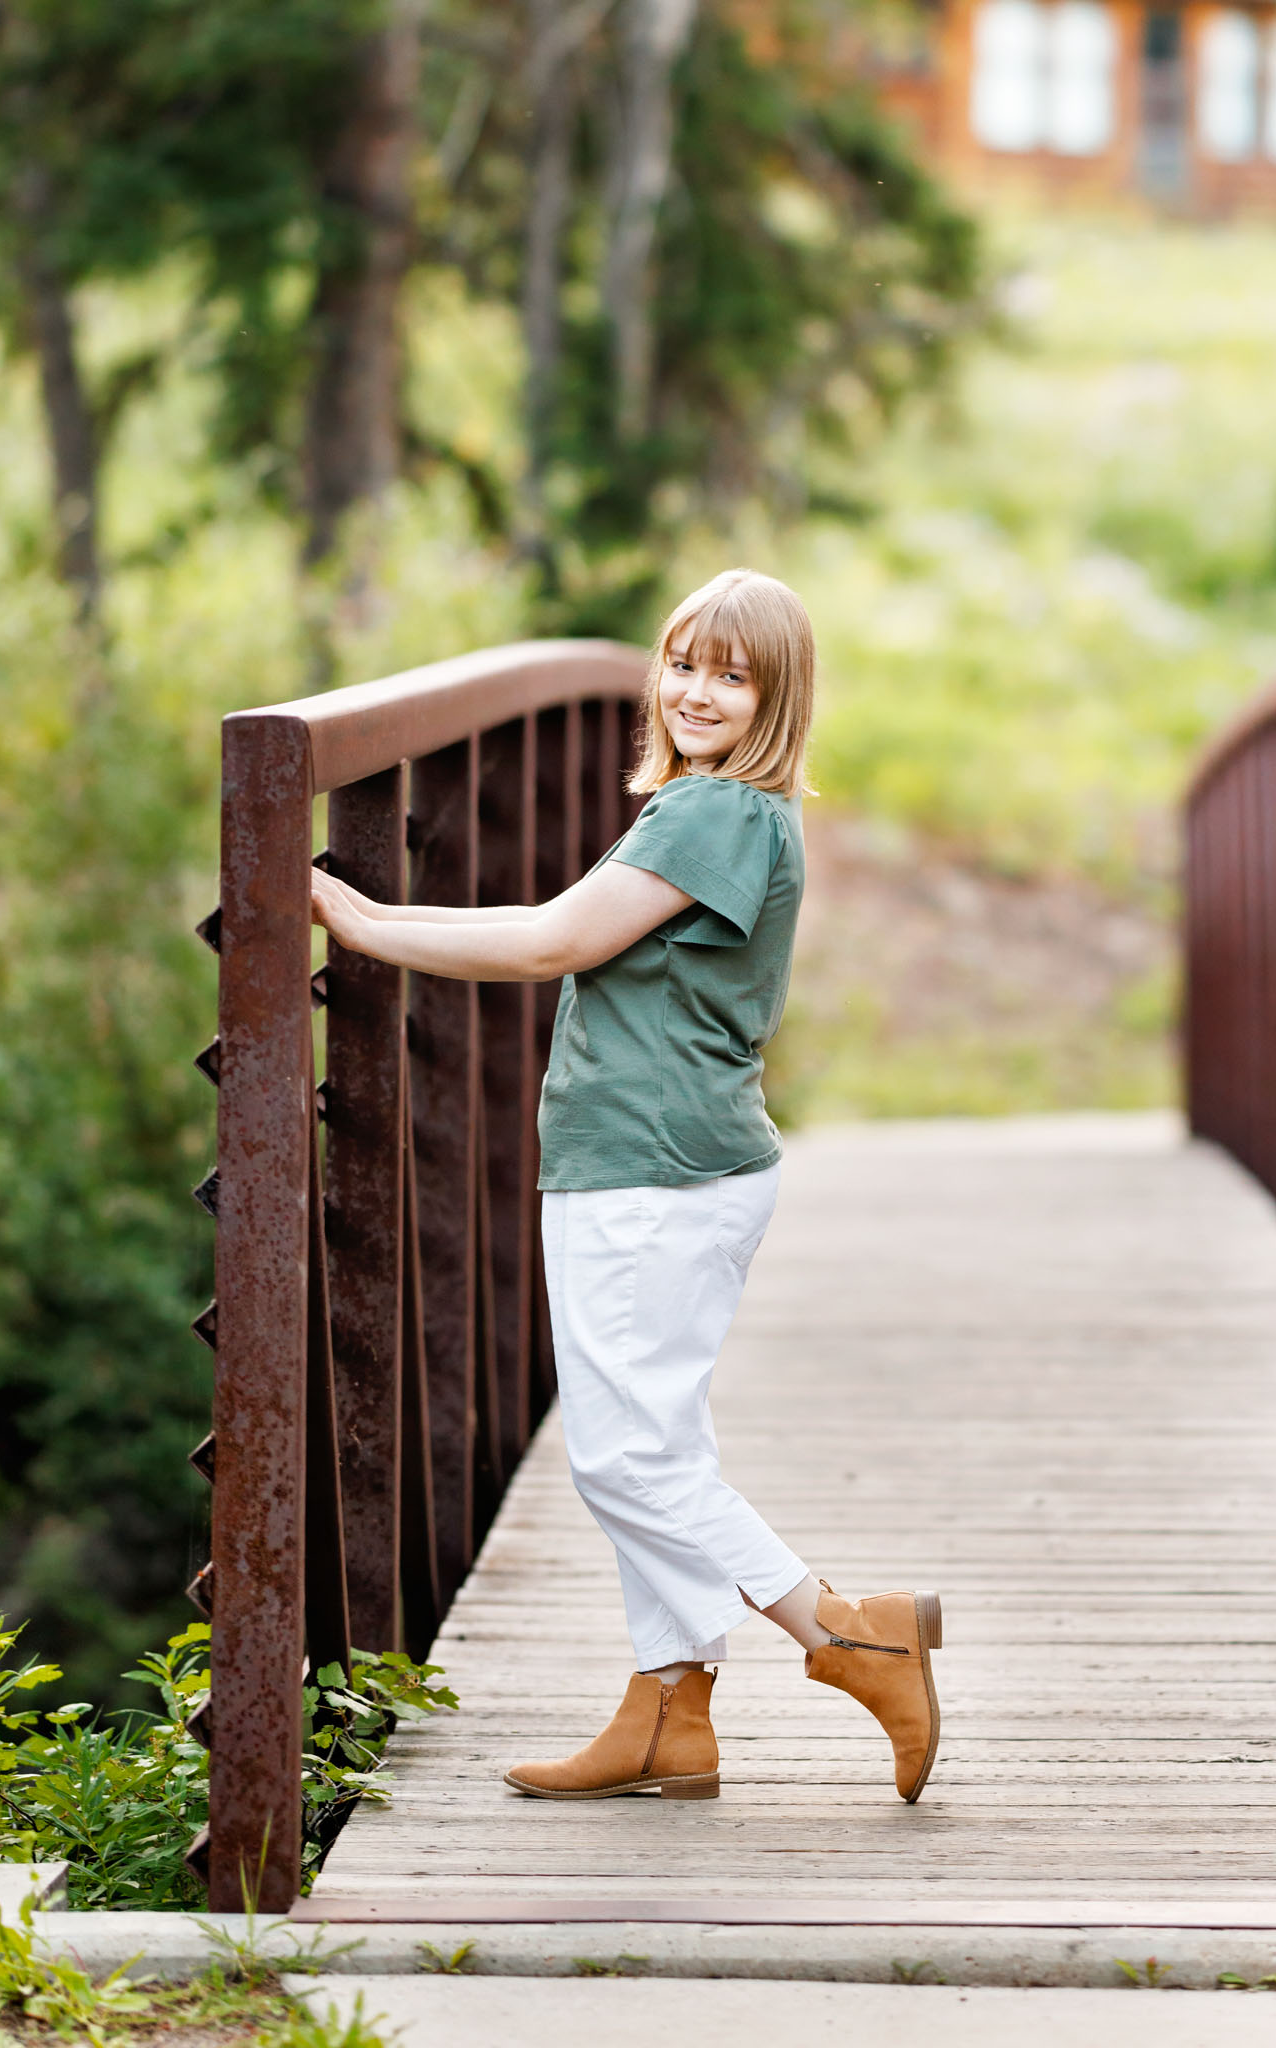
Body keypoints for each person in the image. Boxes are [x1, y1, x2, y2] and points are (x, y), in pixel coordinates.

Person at [310, 566, 942, 1806]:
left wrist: (370, 922)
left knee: (623, 1461)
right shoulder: (716, 807)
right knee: (652, 1442)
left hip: (652, 1174)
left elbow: (555, 938)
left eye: (732, 672)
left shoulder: (719, 815)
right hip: (661, 1165)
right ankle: (667, 1713)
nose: (697, 689)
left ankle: (856, 1637)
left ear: (778, 696)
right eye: (682, 662)